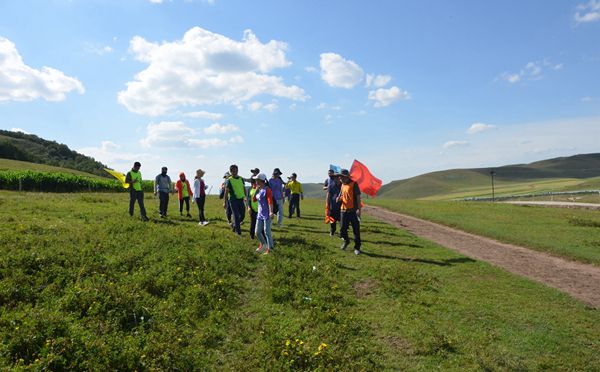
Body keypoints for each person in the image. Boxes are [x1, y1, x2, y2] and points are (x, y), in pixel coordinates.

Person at [337, 169, 362, 255]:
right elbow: (343, 195)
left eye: (341, 177)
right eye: (339, 177)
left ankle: (357, 248)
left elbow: (358, 197)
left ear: (346, 177)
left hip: (353, 211)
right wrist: (339, 198)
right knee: (342, 230)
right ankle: (346, 241)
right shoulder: (342, 185)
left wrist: (359, 209)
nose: (340, 178)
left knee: (356, 230)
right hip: (343, 210)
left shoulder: (354, 184)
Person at [253, 173, 274, 254]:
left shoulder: (267, 190)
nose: (255, 181)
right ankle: (264, 244)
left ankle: (270, 249)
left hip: (267, 214)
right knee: (257, 232)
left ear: (260, 181)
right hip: (260, 214)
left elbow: (270, 202)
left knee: (267, 232)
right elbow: (254, 199)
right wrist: (256, 190)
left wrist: (271, 212)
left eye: (256, 180)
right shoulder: (259, 189)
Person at [223, 164, 246, 235]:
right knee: (236, 215)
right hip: (233, 200)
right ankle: (238, 232)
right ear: (231, 171)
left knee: (242, 215)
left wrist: (245, 196)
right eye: (234, 171)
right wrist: (224, 202)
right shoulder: (229, 180)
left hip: (241, 199)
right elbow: (226, 192)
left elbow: (243, 188)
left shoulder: (241, 179)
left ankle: (234, 226)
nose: (235, 172)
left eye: (237, 171)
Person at [326, 171, 342, 236]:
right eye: (333, 178)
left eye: (336, 177)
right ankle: (332, 231)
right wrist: (327, 206)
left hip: (342, 207)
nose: (334, 179)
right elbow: (328, 196)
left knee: (342, 221)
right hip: (333, 206)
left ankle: (342, 233)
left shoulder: (343, 186)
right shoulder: (331, 186)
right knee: (332, 220)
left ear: (339, 178)